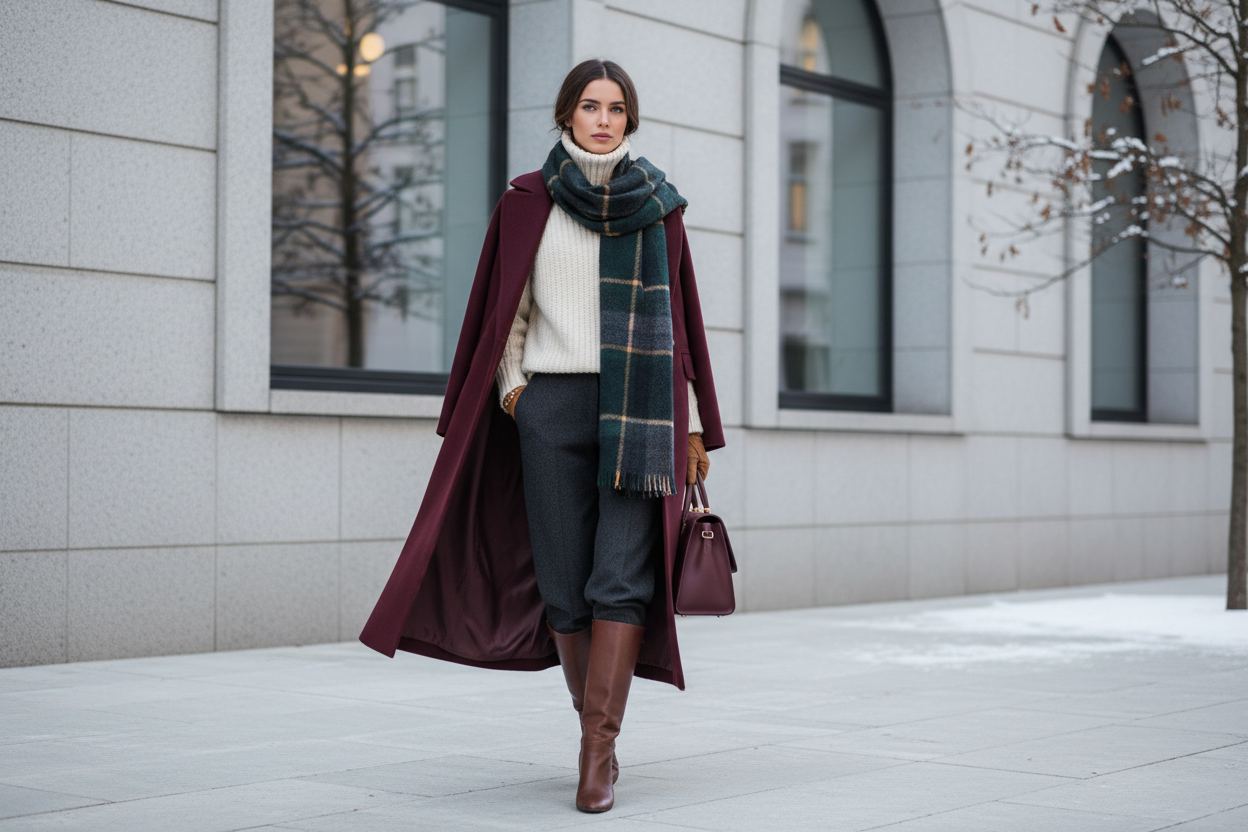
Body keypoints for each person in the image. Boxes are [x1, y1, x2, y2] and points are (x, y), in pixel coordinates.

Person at [359, 59, 724, 814]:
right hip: (550, 409)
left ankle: (595, 754)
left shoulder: (660, 205)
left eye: (616, 108)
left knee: (619, 581)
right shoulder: (529, 201)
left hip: (641, 411)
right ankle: (603, 737)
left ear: (630, 118)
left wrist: (692, 421)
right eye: (589, 106)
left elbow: (682, 326)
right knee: (565, 586)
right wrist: (517, 395)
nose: (603, 119)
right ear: (565, 114)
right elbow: (504, 318)